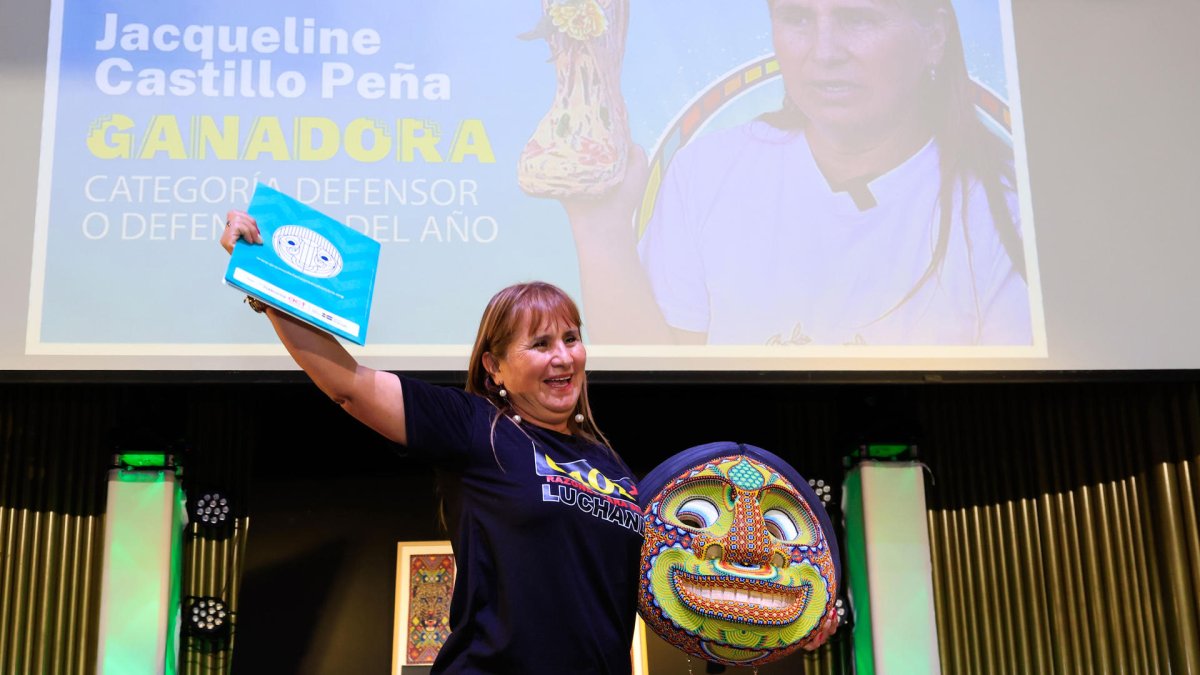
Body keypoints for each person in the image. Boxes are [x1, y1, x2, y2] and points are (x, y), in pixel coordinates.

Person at [222, 213, 643, 673]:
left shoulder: (610, 463)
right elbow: (350, 385)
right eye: (540, 344)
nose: (563, 356)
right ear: (494, 368)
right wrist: (266, 282)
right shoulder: (476, 426)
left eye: (571, 338)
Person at [563, 0, 1032, 346]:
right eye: (798, 19)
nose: (824, 52)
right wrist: (600, 230)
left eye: (858, 19)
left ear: (934, 36)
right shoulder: (708, 171)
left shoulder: (1005, 203)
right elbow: (663, 385)